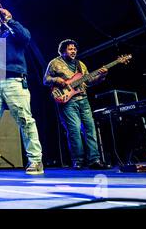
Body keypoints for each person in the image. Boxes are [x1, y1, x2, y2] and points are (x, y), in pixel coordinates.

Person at [0, 1, 44, 175]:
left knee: (25, 120)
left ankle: (35, 160)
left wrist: (9, 19)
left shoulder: (14, 34)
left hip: (14, 80)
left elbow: (25, 36)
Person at [43, 39, 110, 170]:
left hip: (83, 99)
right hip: (67, 101)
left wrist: (101, 76)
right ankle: (78, 160)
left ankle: (94, 160)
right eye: (70, 49)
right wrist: (58, 80)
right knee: (74, 130)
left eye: (74, 49)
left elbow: (89, 81)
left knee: (90, 129)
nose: (73, 51)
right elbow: (46, 80)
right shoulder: (55, 63)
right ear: (62, 51)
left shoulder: (81, 65)